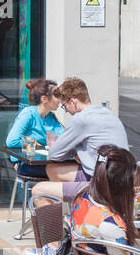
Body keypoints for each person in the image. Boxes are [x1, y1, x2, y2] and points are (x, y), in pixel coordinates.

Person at [31, 77, 130, 207]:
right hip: (121, 180)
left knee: (39, 190)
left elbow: (54, 154)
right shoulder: (107, 113)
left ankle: (67, 221)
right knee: (52, 169)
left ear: (73, 102)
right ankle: (76, 213)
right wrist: (79, 152)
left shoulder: (80, 119)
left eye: (65, 106)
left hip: (101, 186)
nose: (66, 111)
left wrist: (75, 151)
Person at [6, 78, 62, 181]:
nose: (60, 99)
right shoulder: (28, 114)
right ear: (44, 99)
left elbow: (63, 138)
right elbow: (11, 141)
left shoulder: (51, 117)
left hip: (46, 162)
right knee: (66, 172)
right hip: (26, 164)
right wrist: (32, 143)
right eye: (57, 95)